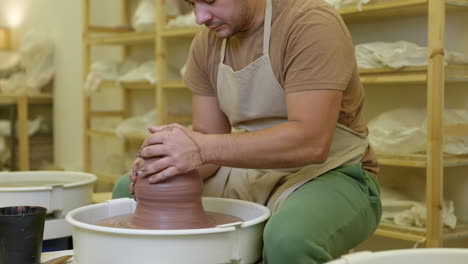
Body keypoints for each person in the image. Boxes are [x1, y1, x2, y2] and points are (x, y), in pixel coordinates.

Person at [114, 0, 382, 263]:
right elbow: (208, 138)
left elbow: (311, 143)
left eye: (209, 1)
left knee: (288, 240)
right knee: (128, 191)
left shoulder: (309, 22)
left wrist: (200, 147)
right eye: (191, 3)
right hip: (246, 166)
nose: (200, 17)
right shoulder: (206, 43)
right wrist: (166, 161)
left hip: (331, 170)